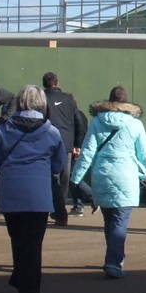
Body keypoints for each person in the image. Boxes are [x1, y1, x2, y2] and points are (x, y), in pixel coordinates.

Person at [0, 85, 67, 293]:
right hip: (38, 195)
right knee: (33, 244)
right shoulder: (52, 132)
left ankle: (21, 280)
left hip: (11, 193)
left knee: (18, 241)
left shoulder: (3, 129)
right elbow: (58, 164)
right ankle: (29, 292)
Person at [70, 86, 146, 279]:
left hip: (102, 175)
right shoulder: (135, 124)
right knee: (120, 221)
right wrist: (141, 171)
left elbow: (88, 152)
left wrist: (76, 177)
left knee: (109, 220)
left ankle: (116, 255)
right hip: (126, 176)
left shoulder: (97, 122)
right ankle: (114, 262)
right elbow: (145, 153)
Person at [42, 72, 87, 227]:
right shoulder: (69, 100)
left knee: (52, 179)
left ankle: (58, 212)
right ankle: (58, 211)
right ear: (57, 82)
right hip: (66, 145)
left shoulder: (42, 99)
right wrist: (77, 144)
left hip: (48, 144)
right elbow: (79, 121)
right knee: (63, 179)